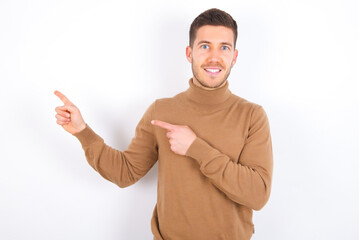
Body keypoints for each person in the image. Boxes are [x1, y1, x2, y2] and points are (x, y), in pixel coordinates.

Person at [54, 8, 273, 240]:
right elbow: (125, 172)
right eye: (205, 46)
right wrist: (82, 131)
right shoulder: (162, 110)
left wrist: (196, 148)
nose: (214, 57)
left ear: (234, 57)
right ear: (190, 53)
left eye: (224, 47)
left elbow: (258, 195)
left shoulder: (252, 116)